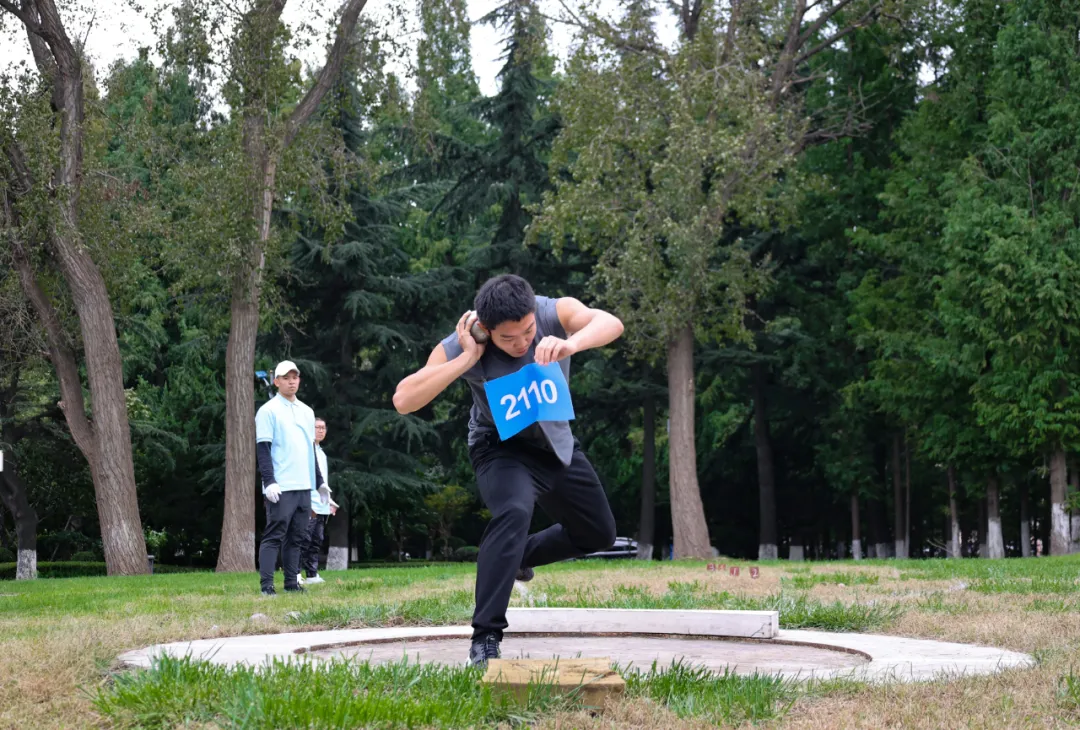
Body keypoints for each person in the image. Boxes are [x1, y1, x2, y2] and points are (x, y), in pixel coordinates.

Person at [393, 274, 623, 667]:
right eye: (508, 339)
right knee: (514, 510)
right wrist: (467, 359)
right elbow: (404, 399)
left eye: (527, 333)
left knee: (600, 532)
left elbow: (611, 323)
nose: (521, 344)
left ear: (535, 313)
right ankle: (485, 637)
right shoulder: (465, 341)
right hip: (499, 448)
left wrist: (572, 342)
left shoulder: (555, 312)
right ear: (486, 329)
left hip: (553, 443)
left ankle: (516, 556)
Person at [255, 360, 330, 596]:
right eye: (286, 378)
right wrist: (269, 481)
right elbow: (263, 449)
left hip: (303, 486)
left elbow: (310, 450)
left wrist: (319, 483)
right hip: (281, 485)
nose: (291, 382)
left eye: (294, 377)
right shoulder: (268, 410)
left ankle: (291, 583)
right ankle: (267, 587)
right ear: (276, 381)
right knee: (275, 535)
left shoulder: (307, 412)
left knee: (298, 536)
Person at [299, 417, 334, 585]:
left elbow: (323, 481)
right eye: (317, 427)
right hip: (308, 502)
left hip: (322, 504)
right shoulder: (306, 450)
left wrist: (329, 500)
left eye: (323, 427)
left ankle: (312, 574)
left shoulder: (322, 453)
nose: (320, 430)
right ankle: (296, 574)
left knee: (316, 540)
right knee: (303, 539)